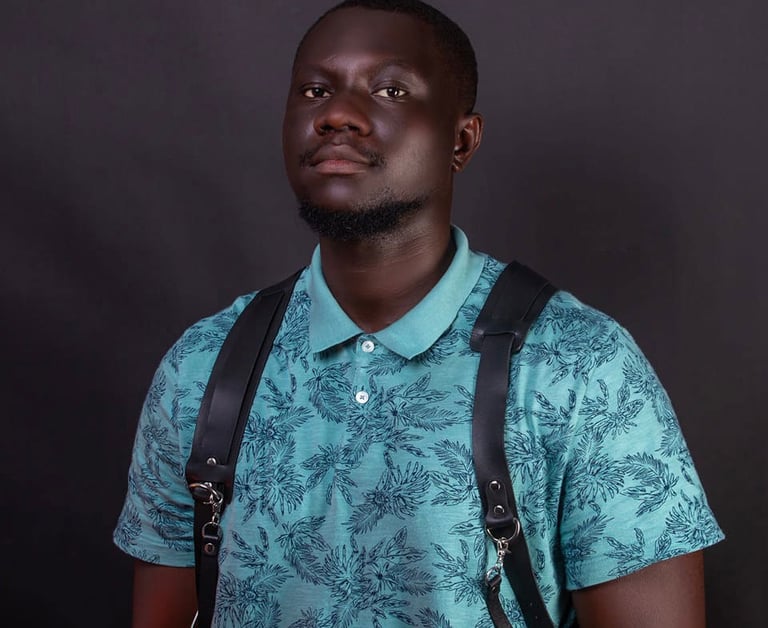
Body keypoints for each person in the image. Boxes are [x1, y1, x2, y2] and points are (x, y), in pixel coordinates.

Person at [114, 1, 723, 626]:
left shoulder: (582, 367)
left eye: (391, 90)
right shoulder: (203, 367)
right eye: (316, 91)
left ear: (461, 140)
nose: (337, 114)